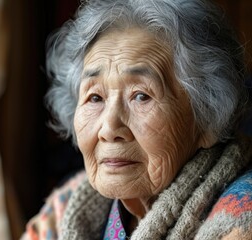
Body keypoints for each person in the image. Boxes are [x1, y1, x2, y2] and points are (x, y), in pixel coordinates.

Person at [22, 0, 252, 239]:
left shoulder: (241, 219)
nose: (109, 129)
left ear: (206, 115)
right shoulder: (64, 209)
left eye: (141, 96)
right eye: (95, 97)